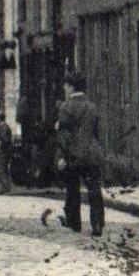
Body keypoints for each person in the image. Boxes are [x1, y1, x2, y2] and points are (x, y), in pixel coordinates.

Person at [54, 73, 105, 237]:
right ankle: (97, 224)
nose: (64, 88)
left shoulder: (66, 107)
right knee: (94, 189)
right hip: (91, 153)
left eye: (66, 86)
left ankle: (74, 222)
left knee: (72, 188)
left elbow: (64, 134)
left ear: (71, 87)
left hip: (74, 154)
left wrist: (61, 156)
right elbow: (97, 132)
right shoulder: (92, 106)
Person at [0, 112, 14, 194]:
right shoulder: (4, 126)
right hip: (4, 152)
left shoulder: (3, 127)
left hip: (3, 152)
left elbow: (4, 140)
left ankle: (6, 188)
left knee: (1, 170)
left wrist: (1, 148)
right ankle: (4, 187)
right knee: (4, 170)